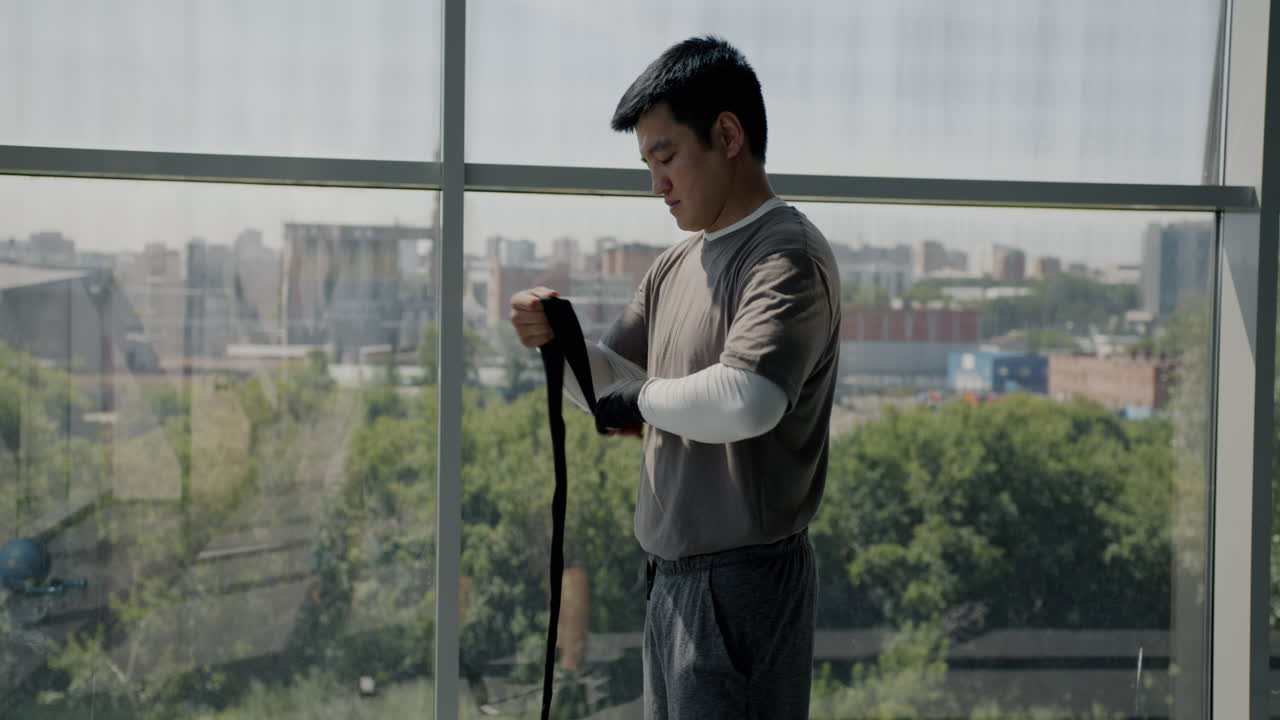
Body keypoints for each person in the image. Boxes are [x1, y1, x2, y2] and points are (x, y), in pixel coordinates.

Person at [509, 36, 841, 719]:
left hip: (742, 584)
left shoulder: (785, 255)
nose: (655, 185)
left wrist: (637, 396)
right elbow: (609, 393)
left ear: (726, 135)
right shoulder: (675, 264)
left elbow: (749, 400)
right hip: (670, 580)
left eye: (666, 158)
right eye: (647, 164)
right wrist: (556, 341)